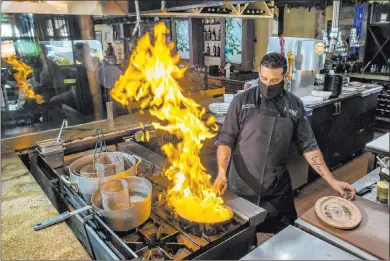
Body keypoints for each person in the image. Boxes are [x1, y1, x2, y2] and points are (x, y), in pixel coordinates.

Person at [213, 52, 356, 236]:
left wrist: (332, 181)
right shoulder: (242, 101)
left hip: (276, 191)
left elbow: (309, 145)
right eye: (263, 78)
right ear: (258, 72)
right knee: (241, 238)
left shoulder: (294, 105)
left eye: (274, 81)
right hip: (240, 188)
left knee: (286, 236)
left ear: (285, 77)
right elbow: (226, 140)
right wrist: (222, 172)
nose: (267, 84)